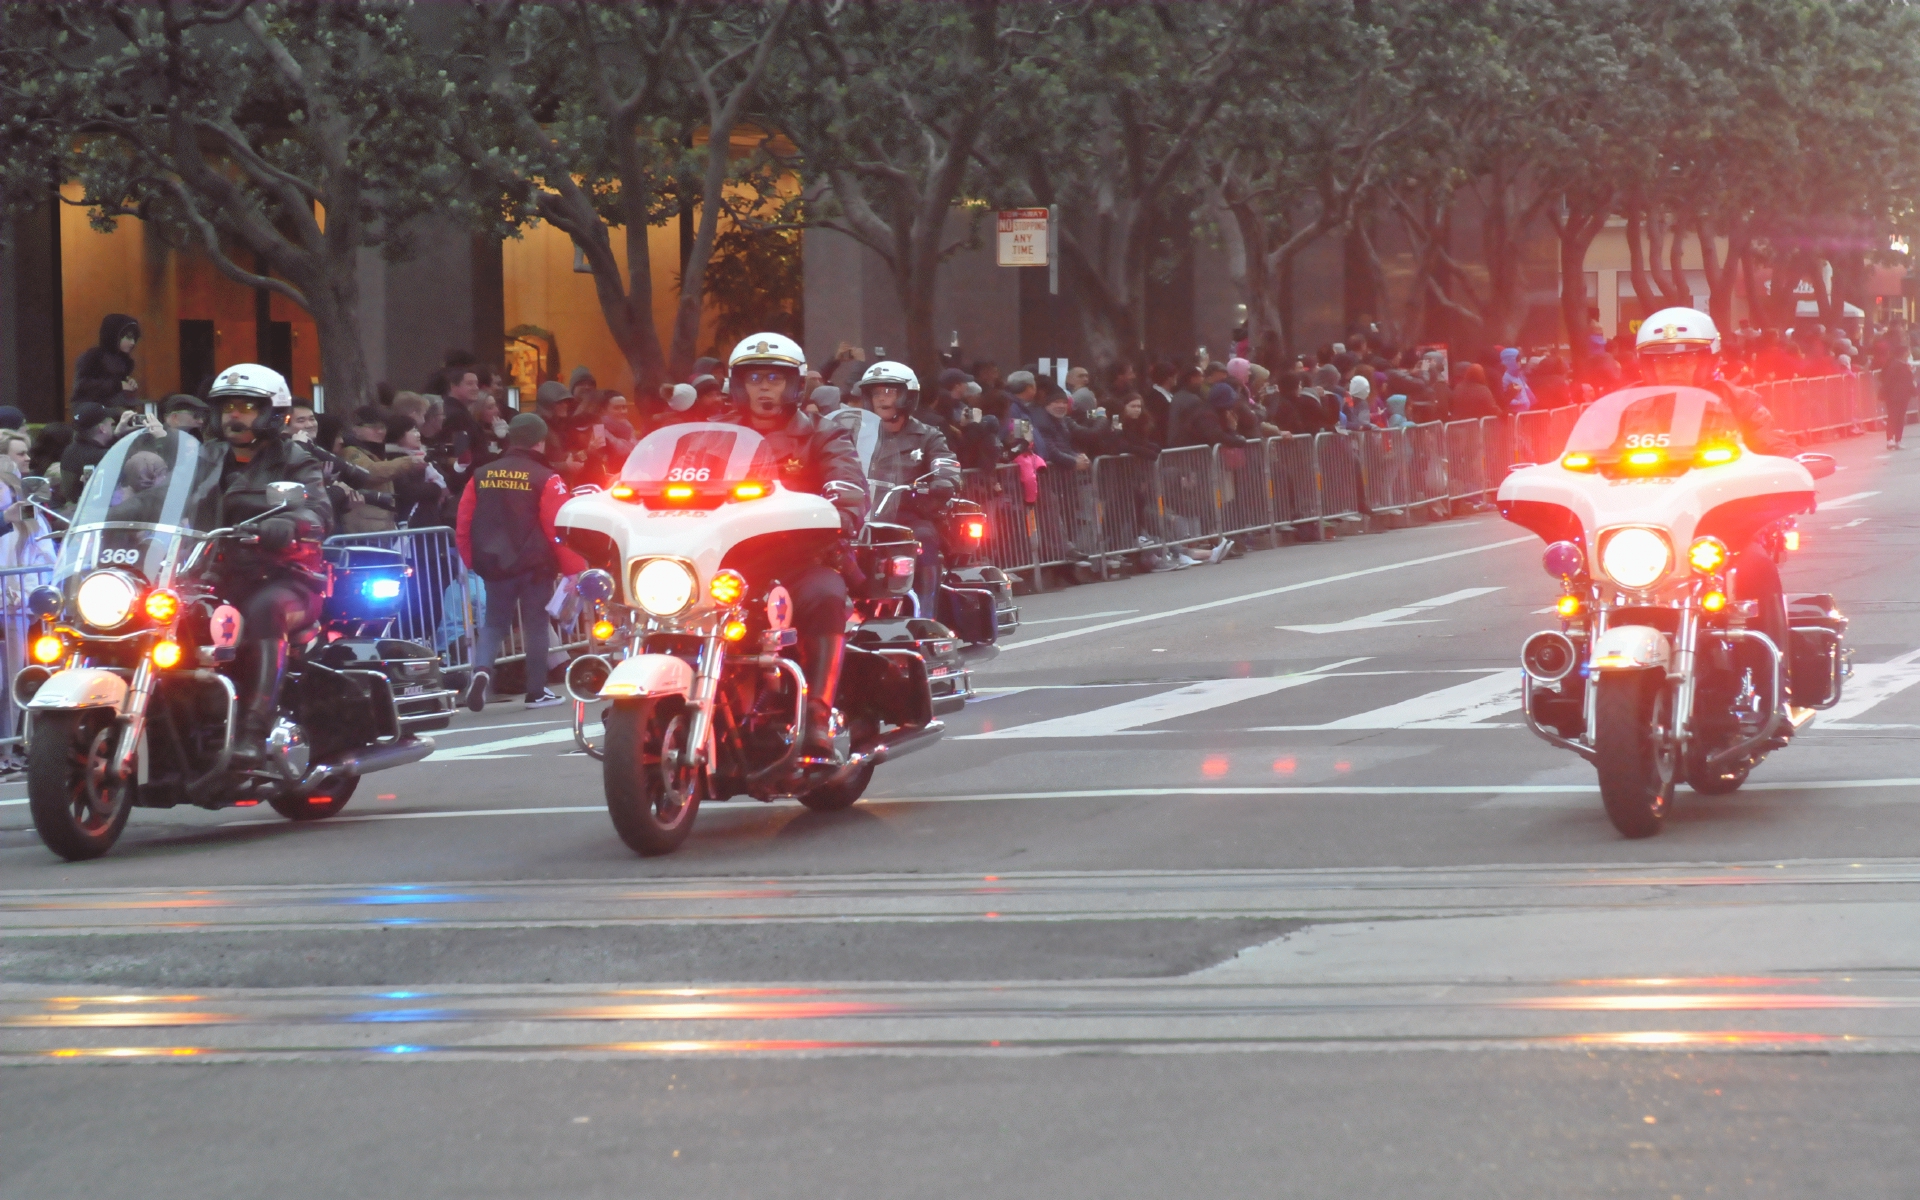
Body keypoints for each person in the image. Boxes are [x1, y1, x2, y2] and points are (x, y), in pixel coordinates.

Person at [1634, 306, 1799, 694]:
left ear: (1709, 359)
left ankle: (1774, 676)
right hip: (1648, 523)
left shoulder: (1739, 401)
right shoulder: (1629, 405)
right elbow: (1583, 453)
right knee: (1586, 580)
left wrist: (1791, 465)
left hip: (1723, 524)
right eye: (1661, 359)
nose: (1673, 367)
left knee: (1757, 565)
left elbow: (1774, 443)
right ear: (1645, 365)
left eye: (1687, 357)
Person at [723, 332, 869, 760]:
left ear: (794, 385)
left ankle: (818, 715)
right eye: (753, 378)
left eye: (773, 378)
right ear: (738, 384)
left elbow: (848, 483)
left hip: (801, 559)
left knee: (826, 596)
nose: (764, 387)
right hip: (728, 563)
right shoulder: (717, 435)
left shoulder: (823, 434)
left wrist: (839, 507)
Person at [202, 363, 335, 770]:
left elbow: (319, 512)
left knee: (264, 612)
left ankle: (252, 731)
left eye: (245, 406)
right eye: (226, 407)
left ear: (274, 413)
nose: (233, 416)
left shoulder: (295, 459)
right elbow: (159, 498)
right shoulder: (206, 459)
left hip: (286, 578)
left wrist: (289, 522)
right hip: (217, 576)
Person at [456, 413, 584, 711]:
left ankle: (482, 671)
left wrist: (470, 558)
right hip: (535, 564)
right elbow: (559, 529)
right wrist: (573, 568)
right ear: (540, 441)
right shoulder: (548, 478)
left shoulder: (481, 475)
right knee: (536, 625)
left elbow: (464, 521)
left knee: (494, 624)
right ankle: (536, 692)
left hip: (493, 563)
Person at [856, 360, 960, 617]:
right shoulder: (854, 434)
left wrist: (942, 482)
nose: (882, 398)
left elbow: (946, 465)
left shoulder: (927, 435)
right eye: (876, 392)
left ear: (908, 396)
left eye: (890, 391)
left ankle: (925, 614)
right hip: (860, 514)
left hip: (907, 515)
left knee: (923, 539)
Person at [58, 402, 127, 505]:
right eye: (109, 422)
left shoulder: (69, 450)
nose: (112, 421)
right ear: (102, 428)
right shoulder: (104, 457)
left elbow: (93, 450)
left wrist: (116, 436)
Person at [70, 314, 142, 409]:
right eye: (128, 337)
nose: (133, 342)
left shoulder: (124, 361)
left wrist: (128, 384)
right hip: (90, 410)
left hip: (112, 409)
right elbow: (83, 387)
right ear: (115, 335)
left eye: (134, 338)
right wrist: (118, 385)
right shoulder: (92, 357)